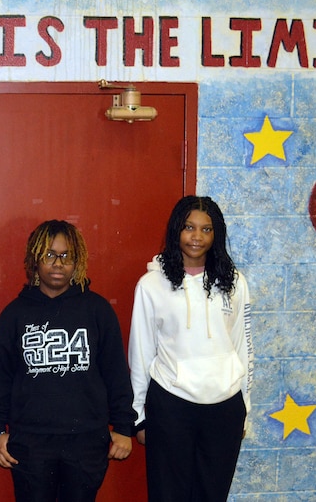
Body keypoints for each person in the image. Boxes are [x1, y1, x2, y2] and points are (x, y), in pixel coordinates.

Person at [0, 219, 136, 502]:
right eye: (49, 255)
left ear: (77, 261)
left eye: (67, 256)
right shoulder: (14, 315)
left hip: (87, 441)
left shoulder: (97, 311)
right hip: (30, 442)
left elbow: (116, 373)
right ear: (35, 260)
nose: (58, 263)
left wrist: (124, 428)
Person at [129, 195, 253, 502]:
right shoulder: (151, 285)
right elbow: (141, 353)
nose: (197, 237)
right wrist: (138, 415)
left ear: (216, 235)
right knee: (168, 495)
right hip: (171, 405)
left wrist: (245, 409)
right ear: (176, 231)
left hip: (224, 408)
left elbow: (243, 347)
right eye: (188, 227)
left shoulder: (234, 283)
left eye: (206, 229)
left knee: (212, 495)